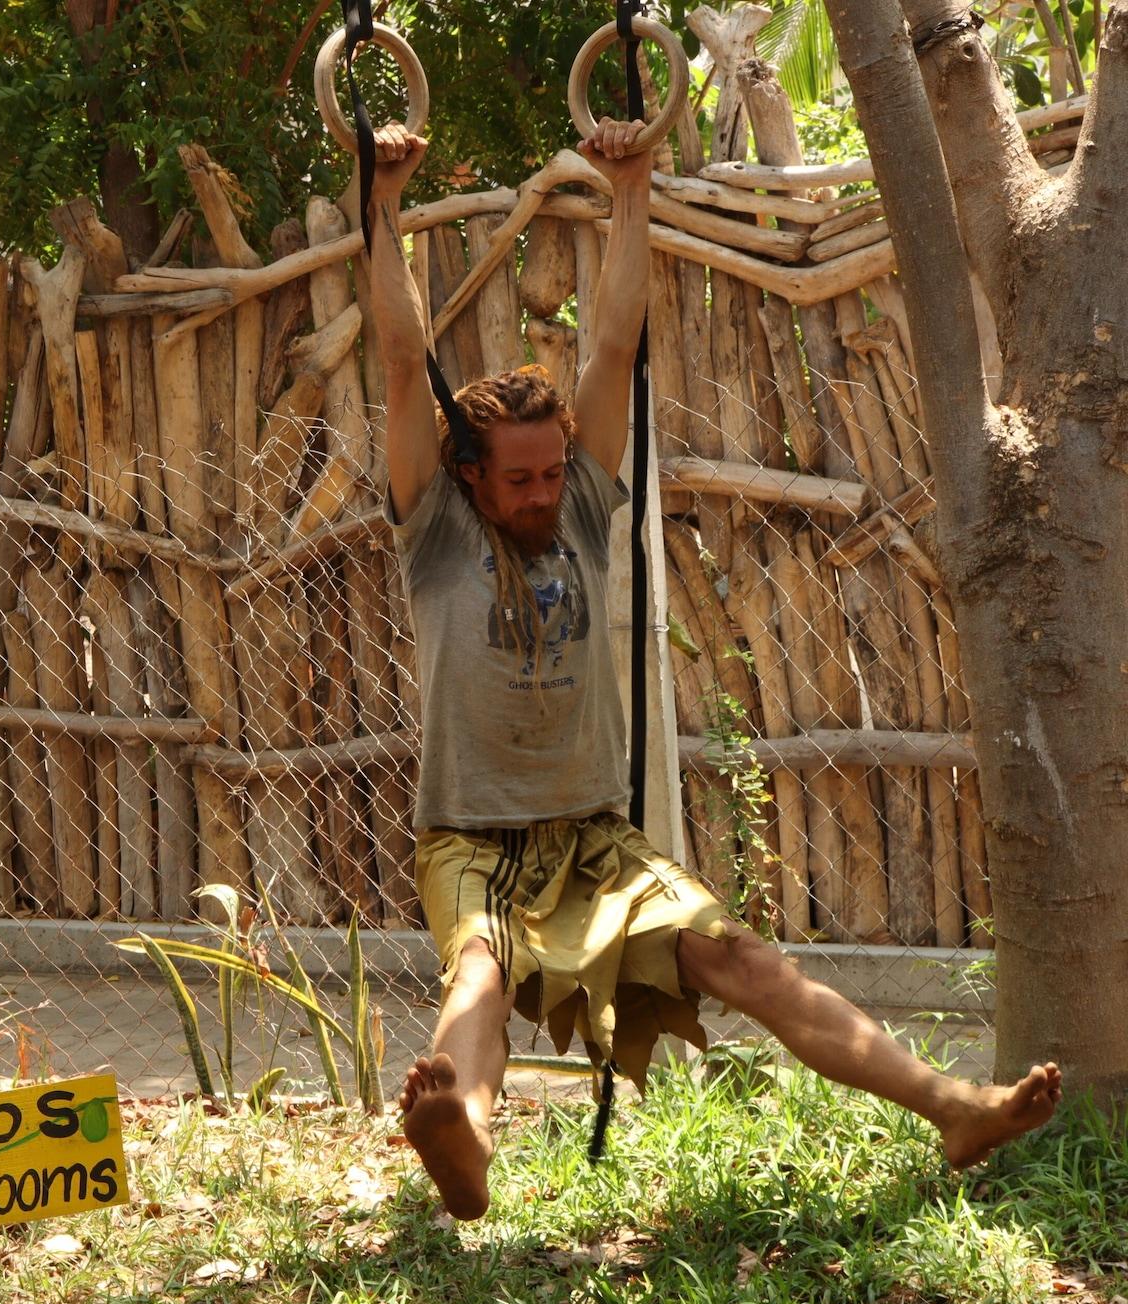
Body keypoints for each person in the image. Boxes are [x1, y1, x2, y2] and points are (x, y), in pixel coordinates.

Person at [364, 116, 1063, 1222]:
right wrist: (382, 203)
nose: (546, 490)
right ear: (468, 474)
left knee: (742, 958)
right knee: (479, 981)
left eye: (553, 471)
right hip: (476, 841)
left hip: (596, 834)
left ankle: (952, 1107)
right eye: (522, 480)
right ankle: (462, 1134)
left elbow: (608, 348)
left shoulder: (585, 507)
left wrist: (631, 191)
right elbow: (402, 359)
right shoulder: (435, 530)